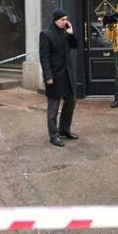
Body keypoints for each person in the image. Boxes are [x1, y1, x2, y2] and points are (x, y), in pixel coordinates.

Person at [39, 9, 79, 147]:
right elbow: (44, 57)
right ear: (56, 20)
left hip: (67, 74)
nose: (65, 22)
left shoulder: (65, 32)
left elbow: (75, 45)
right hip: (54, 76)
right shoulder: (46, 34)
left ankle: (64, 129)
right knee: (53, 107)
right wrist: (48, 76)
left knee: (70, 102)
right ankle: (54, 135)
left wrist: (71, 33)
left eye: (66, 19)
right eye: (62, 20)